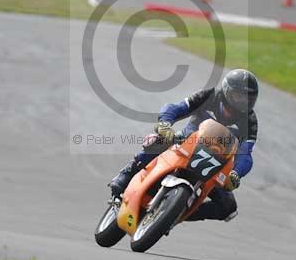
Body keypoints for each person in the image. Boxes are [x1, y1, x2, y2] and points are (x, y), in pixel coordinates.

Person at [108, 69, 259, 222]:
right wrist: (165, 124)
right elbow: (177, 108)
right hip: (187, 143)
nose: (243, 102)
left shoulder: (250, 121)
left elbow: (246, 153)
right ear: (227, 90)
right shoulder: (209, 96)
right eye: (238, 96)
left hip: (215, 164)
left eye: (248, 99)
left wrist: (236, 173)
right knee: (159, 140)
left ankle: (177, 213)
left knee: (228, 208)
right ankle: (125, 175)